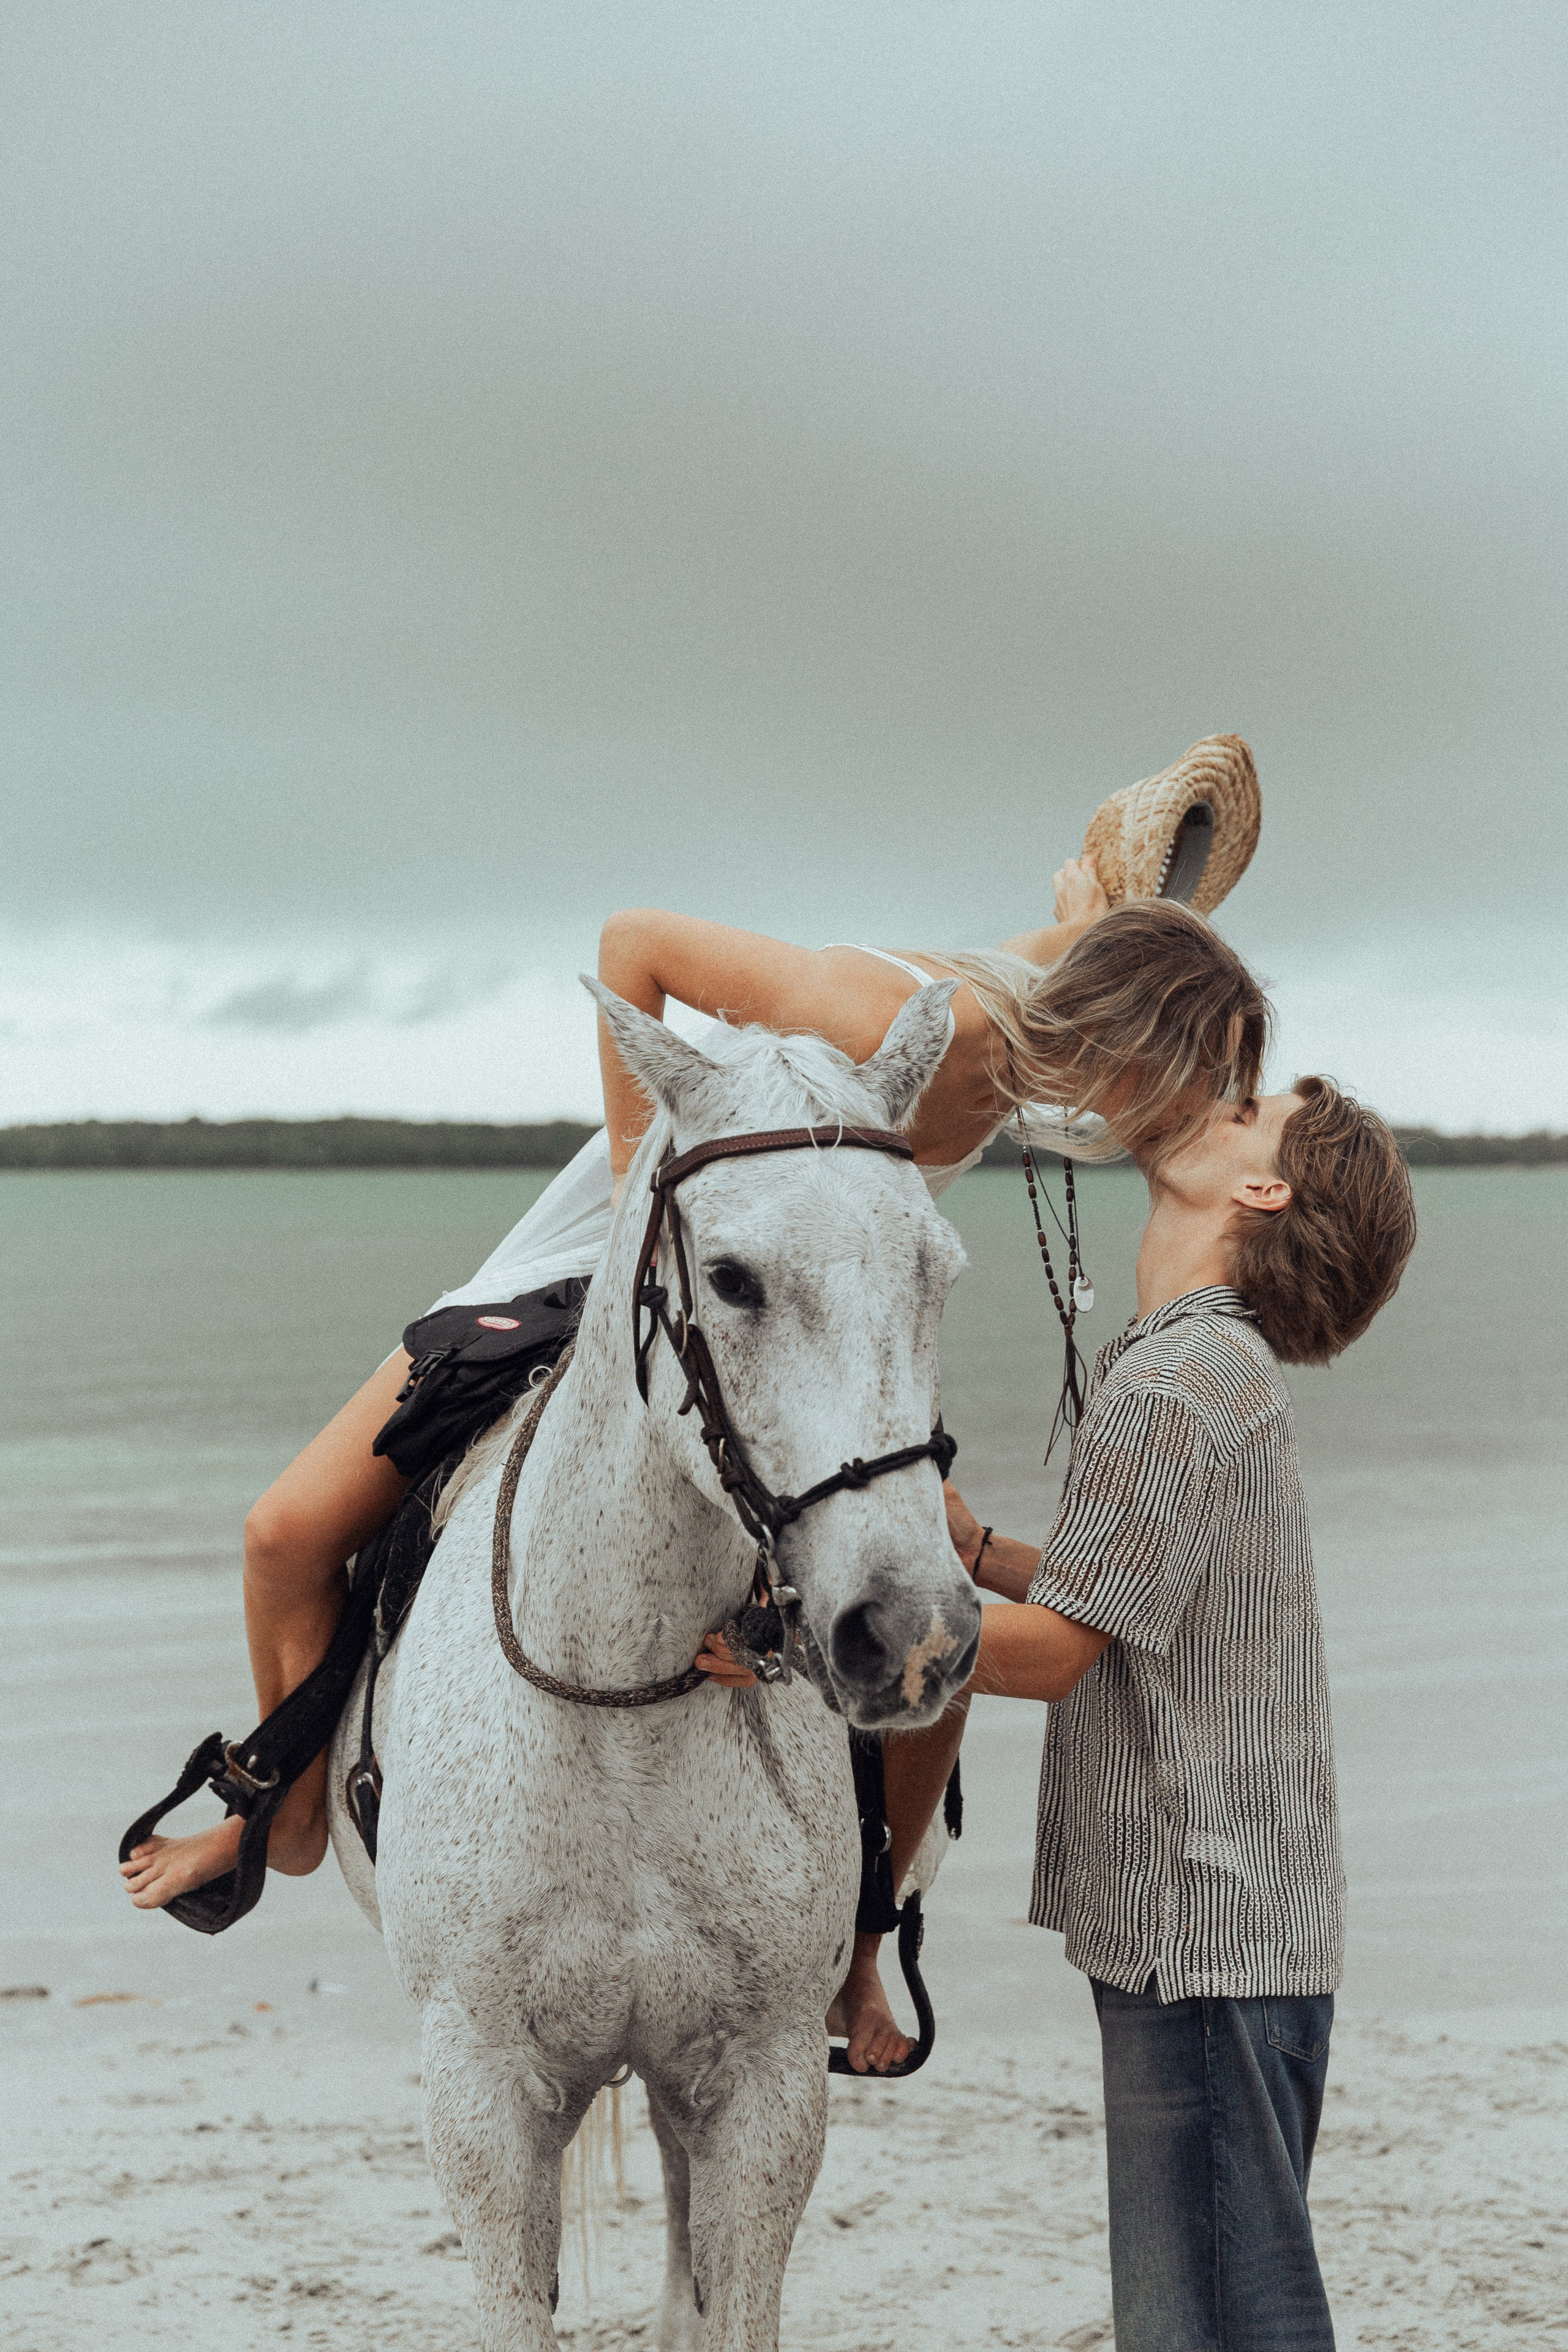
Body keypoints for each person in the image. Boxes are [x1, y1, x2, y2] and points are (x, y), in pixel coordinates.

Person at [119, 862, 1269, 2053]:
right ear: (1128, 1039)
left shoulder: (1034, 1031)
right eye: (1195, 1086)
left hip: (788, 1324)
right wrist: (637, 1204)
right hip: (628, 1253)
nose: (1190, 1118)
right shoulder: (876, 1013)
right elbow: (635, 943)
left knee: (927, 1613)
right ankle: (288, 1813)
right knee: (284, 1532)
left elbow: (1094, 940)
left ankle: (860, 1945)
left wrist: (1116, 889)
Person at [716, 1074, 1414, 2336]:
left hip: (1196, 1917)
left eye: (1248, 1102)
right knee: (1225, 2287)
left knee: (1208, 2313)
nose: (1213, 1090)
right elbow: (1145, 1594)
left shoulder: (1173, 1384)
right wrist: (979, 1551)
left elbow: (1054, 1655)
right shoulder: (1203, 1363)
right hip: (1241, 1910)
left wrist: (790, 1649)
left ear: (1261, 1190)